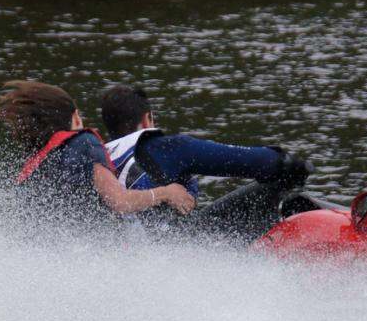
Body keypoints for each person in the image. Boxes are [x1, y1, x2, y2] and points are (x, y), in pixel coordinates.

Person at [100, 84, 311, 241]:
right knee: (274, 184)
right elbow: (254, 161)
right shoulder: (166, 147)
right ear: (147, 119)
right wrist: (291, 165)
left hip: (136, 259)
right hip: (175, 254)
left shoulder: (101, 160)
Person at [0, 80, 194, 222]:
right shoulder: (84, 142)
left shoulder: (35, 168)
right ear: (75, 117)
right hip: (108, 256)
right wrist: (166, 193)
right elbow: (120, 201)